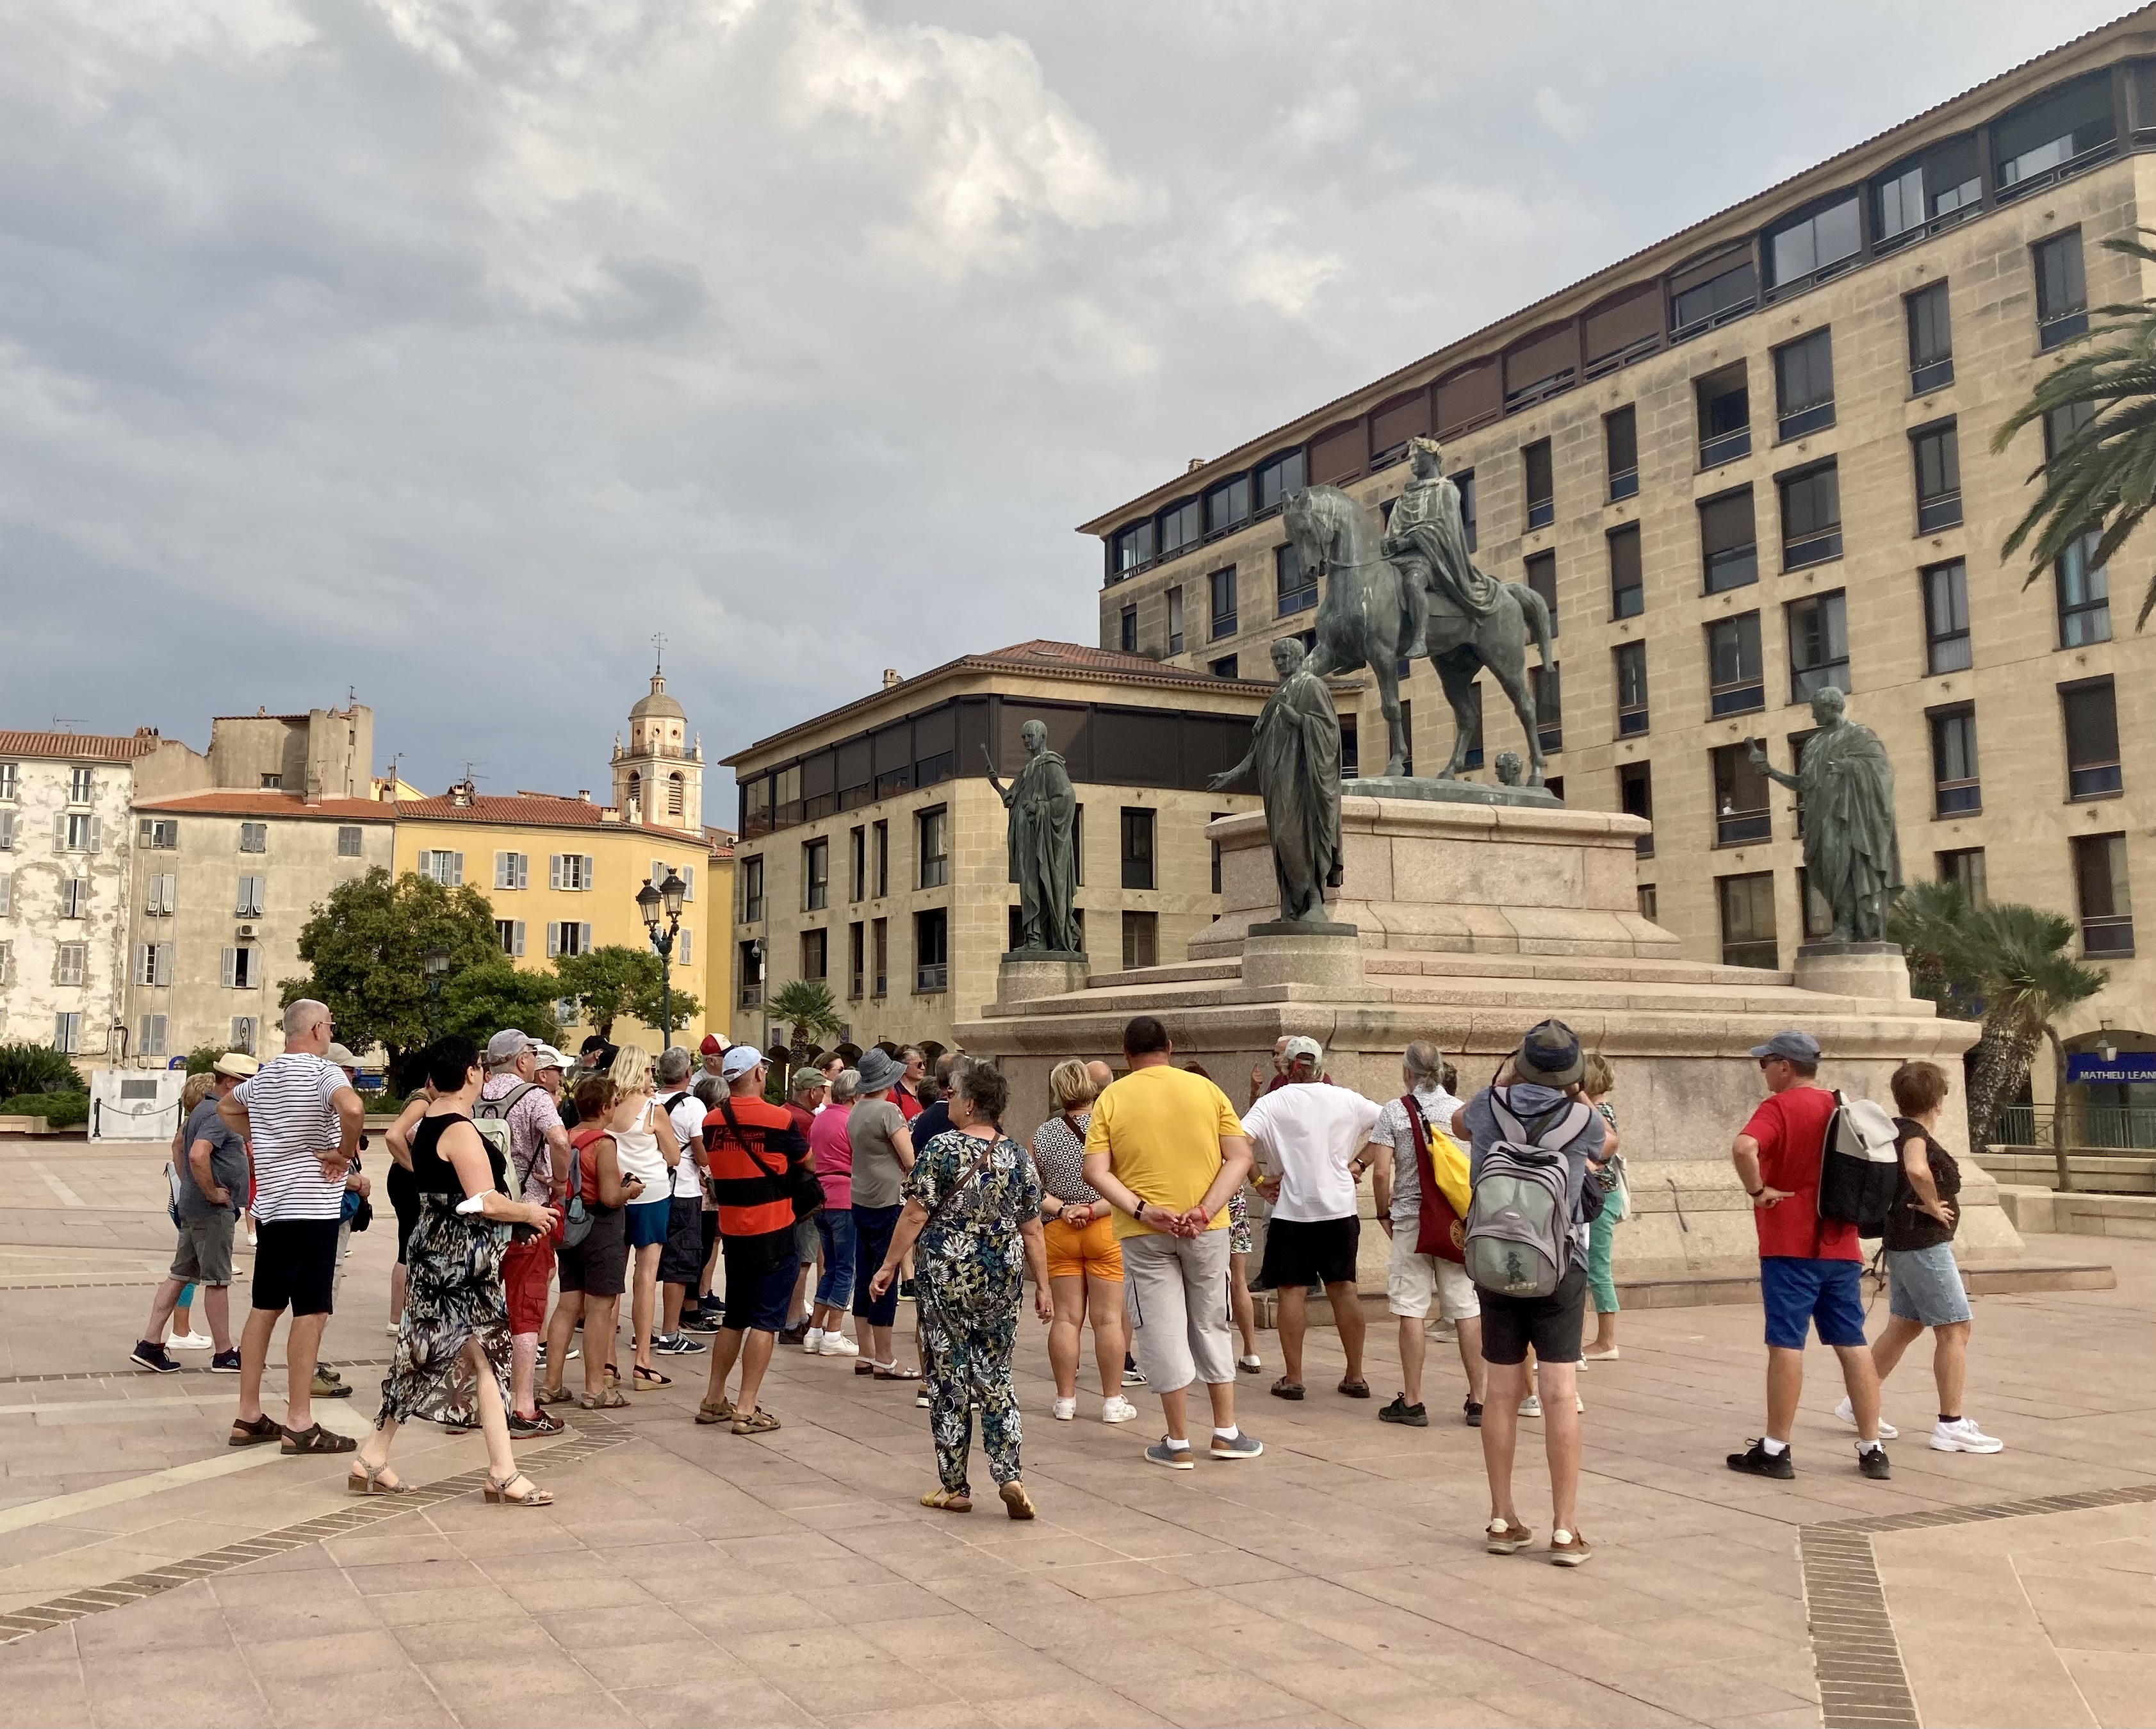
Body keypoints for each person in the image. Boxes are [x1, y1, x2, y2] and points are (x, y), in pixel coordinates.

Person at [350, 1036, 560, 1504]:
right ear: (469, 1073)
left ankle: (376, 1456)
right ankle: (502, 1473)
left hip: (438, 1252)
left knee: (433, 1355)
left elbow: (448, 1190)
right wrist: (529, 1214)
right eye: (481, 1066)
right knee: (480, 1356)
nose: (484, 1072)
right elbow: (483, 1199)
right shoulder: (458, 1129)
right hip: (460, 1263)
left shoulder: (428, 1120)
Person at [1453, 1020, 1607, 1567]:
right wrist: (1577, 1092)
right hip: (1559, 1263)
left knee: (1500, 1390)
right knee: (1559, 1389)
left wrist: (1502, 1078)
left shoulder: (1486, 1104)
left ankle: (1502, 1517)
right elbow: (1608, 1146)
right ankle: (1565, 1529)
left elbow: (1456, 1125)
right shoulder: (1583, 1117)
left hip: (1494, 1260)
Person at [870, 1063, 1052, 1515]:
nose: (949, 1101)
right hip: (1001, 1277)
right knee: (996, 1374)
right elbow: (1033, 1229)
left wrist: (889, 1264)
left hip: (947, 1276)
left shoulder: (942, 1148)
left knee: (949, 1375)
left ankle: (955, 1485)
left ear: (970, 1103)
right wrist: (1044, 1287)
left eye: (955, 1096)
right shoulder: (1017, 1156)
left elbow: (914, 1214)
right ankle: (1009, 1473)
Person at [1082, 1015, 1261, 1468]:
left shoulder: (1112, 1098)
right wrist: (1205, 1207)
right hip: (1207, 1225)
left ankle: (1178, 1439)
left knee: (1159, 1326)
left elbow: (1096, 1171)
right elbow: (1240, 1156)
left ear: (1126, 1054)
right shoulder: (1207, 1090)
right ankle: (1225, 1429)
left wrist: (1142, 1208)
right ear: (1171, 1046)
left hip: (1145, 1230)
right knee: (1210, 1320)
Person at [1726, 1029, 1891, 1484]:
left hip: (1789, 1244)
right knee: (1853, 1344)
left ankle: (1776, 1447)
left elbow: (1744, 1147)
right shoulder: (1842, 1104)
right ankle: (1872, 1446)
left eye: (1766, 1063)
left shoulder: (1778, 1107)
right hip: (1841, 1242)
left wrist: (1758, 1190)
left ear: (1785, 1065)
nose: (1762, 1071)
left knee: (1786, 1344)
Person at [220, 1000, 365, 1455]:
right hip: (313, 1211)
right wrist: (342, 1152)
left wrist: (262, 1134)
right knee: (311, 1313)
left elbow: (227, 1105)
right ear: (319, 1029)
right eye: (332, 1024)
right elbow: (354, 1108)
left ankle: (247, 1413)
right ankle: (299, 1421)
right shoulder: (323, 1073)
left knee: (264, 1307)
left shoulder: (263, 1077)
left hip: (274, 1210)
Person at [1859, 1061, 2002, 1455]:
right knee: (1956, 1327)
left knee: (1906, 1324)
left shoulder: (1893, 1129)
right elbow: (1917, 1169)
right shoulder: (1916, 1135)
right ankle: (1951, 1425)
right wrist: (1932, 1206)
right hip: (1923, 1244)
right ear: (1938, 1101)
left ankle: (1859, 1402)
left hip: (1901, 1242)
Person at [1243, 1037, 1380, 1401]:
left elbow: (1237, 1142)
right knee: (1344, 1288)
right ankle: (1355, 1375)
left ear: (1287, 1067)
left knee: (1292, 1291)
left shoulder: (1272, 1103)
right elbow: (1389, 1125)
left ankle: (1294, 1377)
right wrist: (1360, 1162)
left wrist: (1257, 1180)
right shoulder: (1347, 1099)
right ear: (1321, 1066)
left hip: (1292, 1209)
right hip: (1339, 1207)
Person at [696, 1045, 812, 1435]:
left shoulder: (711, 1122)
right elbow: (805, 1161)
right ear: (758, 1075)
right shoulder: (778, 1119)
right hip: (775, 1228)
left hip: (734, 1230)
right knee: (765, 1320)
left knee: (735, 1317)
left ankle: (714, 1398)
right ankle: (746, 1407)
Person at [1371, 1039, 1485, 1427]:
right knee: (1466, 1308)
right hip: (1454, 1223)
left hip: (1411, 1220)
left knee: (1411, 1308)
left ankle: (1414, 1401)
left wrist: (1383, 1212)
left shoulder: (1393, 1112)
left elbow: (1382, 1171)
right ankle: (1479, 1400)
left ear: (1407, 1072)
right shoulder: (1461, 1111)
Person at [134, 1053, 257, 1374]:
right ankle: (224, 1353)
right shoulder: (220, 1114)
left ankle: (149, 1345)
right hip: (211, 1211)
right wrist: (211, 1191)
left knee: (179, 1274)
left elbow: (178, 1146)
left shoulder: (201, 1109)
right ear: (230, 1082)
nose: (251, 1090)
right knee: (218, 1280)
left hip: (195, 1207)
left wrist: (190, 1184)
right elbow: (197, 1153)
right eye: (247, 1083)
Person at [476, 1030, 573, 1438]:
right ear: (520, 1061)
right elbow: (559, 1139)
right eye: (532, 1053)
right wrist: (560, 1182)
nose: (534, 1059)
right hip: (528, 1216)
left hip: (483, 1213)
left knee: (481, 1307)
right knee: (527, 1308)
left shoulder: (477, 1097)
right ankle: (524, 1406)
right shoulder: (533, 1097)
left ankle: (472, 1402)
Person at [1031, 1060, 1137, 1424]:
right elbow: (1127, 1187)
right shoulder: (1112, 1129)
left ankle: (1065, 1400)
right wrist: (1092, 1209)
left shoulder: (1043, 1134)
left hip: (1059, 1232)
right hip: (1104, 1226)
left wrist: (1064, 1210)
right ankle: (1112, 1400)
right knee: (1107, 1319)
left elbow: (1033, 1191)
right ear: (1092, 1090)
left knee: (1066, 1318)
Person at [540, 1071, 639, 1410]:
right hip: (601, 1229)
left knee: (567, 1306)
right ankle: (596, 1388)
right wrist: (632, 1190)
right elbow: (611, 1196)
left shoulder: (567, 1137)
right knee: (600, 1308)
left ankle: (551, 1384)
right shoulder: (603, 1143)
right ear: (605, 1107)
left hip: (571, 1229)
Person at [607, 1045, 683, 1388]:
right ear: (642, 1071)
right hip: (651, 1195)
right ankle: (642, 1362)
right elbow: (674, 1156)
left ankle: (608, 1362)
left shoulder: (607, 1106)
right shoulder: (654, 1109)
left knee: (611, 1281)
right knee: (646, 1277)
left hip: (615, 1193)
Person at [848, 1047, 920, 1381]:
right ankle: (885, 1357)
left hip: (859, 1196)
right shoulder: (889, 1111)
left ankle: (865, 1353)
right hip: (888, 1199)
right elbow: (910, 1159)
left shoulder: (855, 1109)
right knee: (886, 1274)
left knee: (864, 1273)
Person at [652, 1047, 712, 1359]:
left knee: (650, 1262)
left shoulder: (649, 1102)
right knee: (680, 1261)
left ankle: (646, 1330)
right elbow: (701, 1152)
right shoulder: (693, 1106)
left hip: (652, 1189)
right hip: (684, 1190)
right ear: (688, 1074)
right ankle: (670, 1333)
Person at [806, 1069, 860, 1355]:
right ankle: (833, 1333)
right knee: (845, 1269)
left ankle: (814, 1331)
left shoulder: (821, 1118)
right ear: (854, 1095)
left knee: (829, 1268)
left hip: (821, 1198)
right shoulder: (851, 1121)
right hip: (844, 1197)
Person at [779, 1065, 829, 1343]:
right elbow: (809, 1159)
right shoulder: (806, 1121)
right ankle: (792, 1321)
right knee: (803, 1260)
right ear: (812, 1091)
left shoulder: (783, 1112)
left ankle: (793, 1316)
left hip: (785, 1197)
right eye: (822, 1089)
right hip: (803, 1197)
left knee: (797, 1258)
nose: (824, 1094)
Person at [1581, 1054, 1625, 1363]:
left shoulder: (1598, 1110)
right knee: (1591, 1268)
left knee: (1597, 1268)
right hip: (1602, 1197)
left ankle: (1607, 1340)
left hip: (1600, 1197)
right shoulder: (1599, 1108)